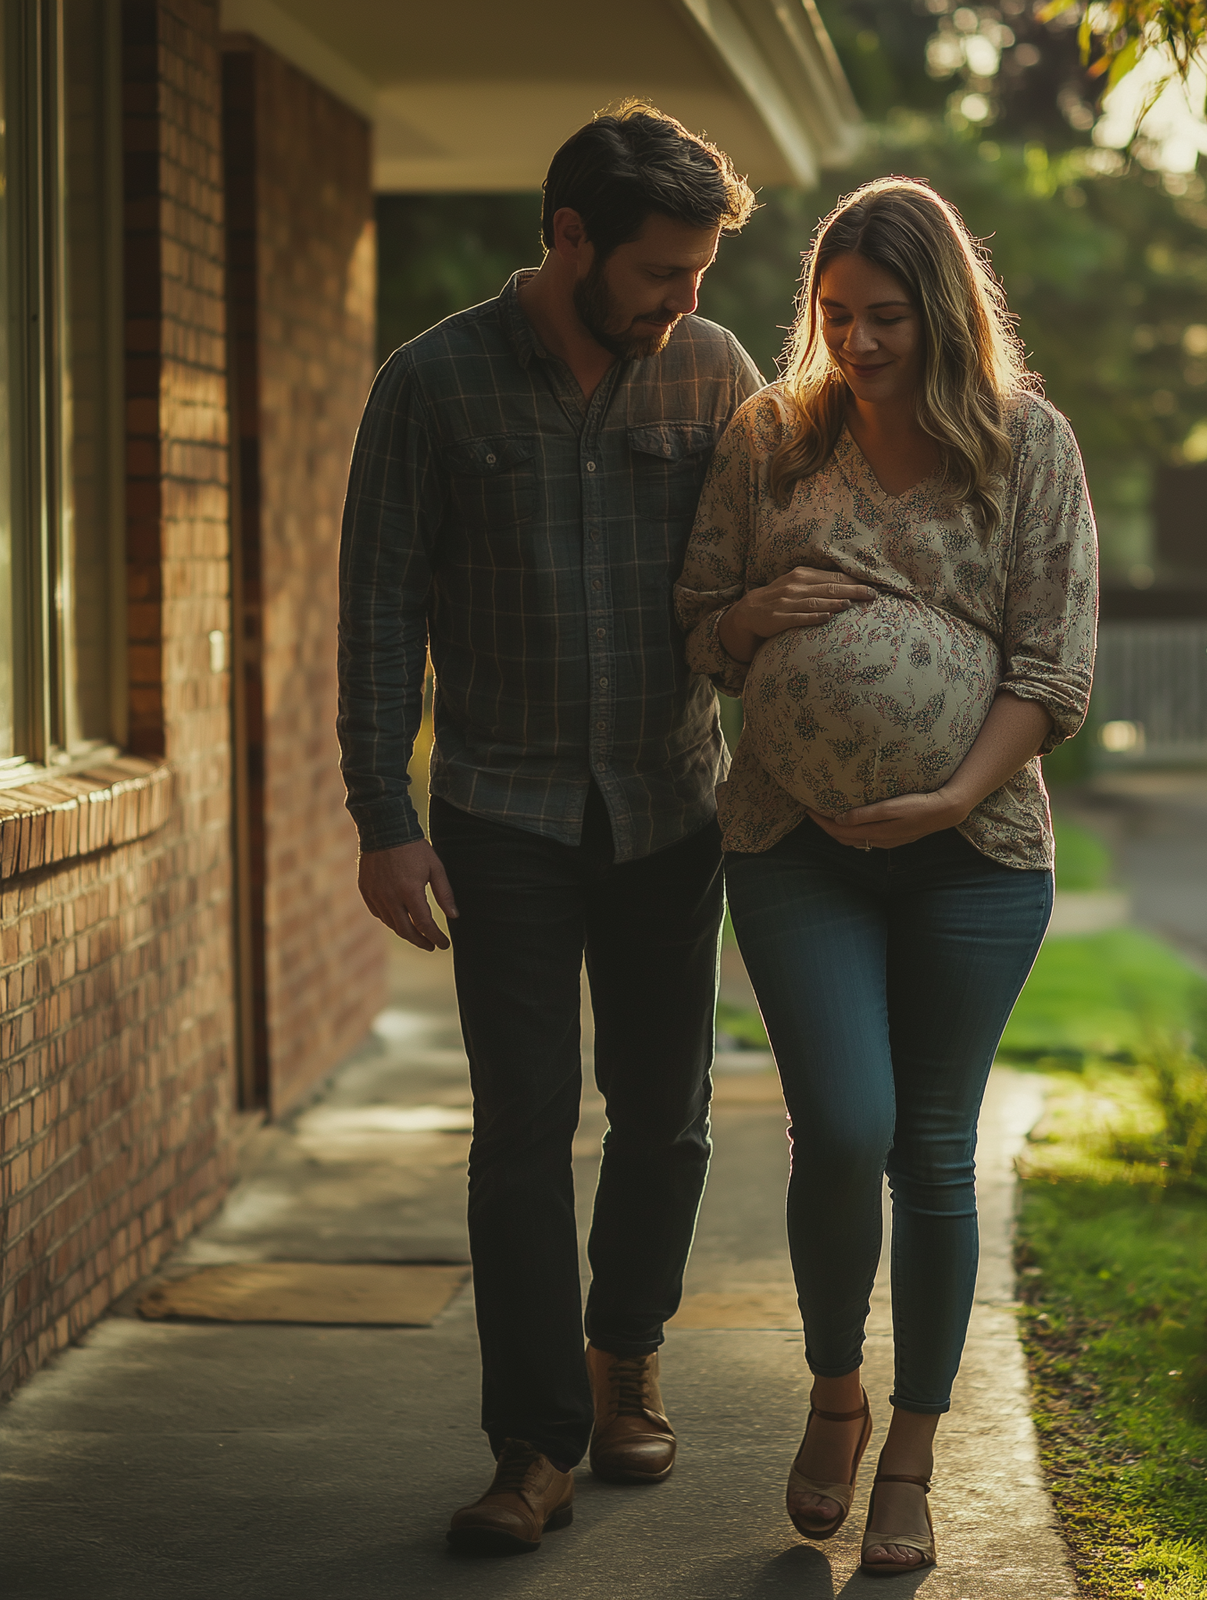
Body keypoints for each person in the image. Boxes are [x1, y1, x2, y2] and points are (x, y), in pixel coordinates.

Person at [337, 103, 761, 1556]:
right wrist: (383, 819)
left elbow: (772, 575)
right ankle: (533, 1445)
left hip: (670, 800)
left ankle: (623, 1354)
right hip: (502, 809)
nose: (684, 301)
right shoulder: (433, 384)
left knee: (667, 1115)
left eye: (700, 274)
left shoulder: (714, 375)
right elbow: (379, 608)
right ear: (569, 237)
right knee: (523, 1128)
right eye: (660, 272)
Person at [673, 178, 1097, 1577]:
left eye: (887, 319)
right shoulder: (770, 440)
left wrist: (951, 795)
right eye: (835, 316)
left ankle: (911, 1457)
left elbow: (1055, 664)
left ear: (946, 312)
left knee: (931, 1150)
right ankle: (835, 1393)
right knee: (840, 1127)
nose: (856, 344)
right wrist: (748, 613)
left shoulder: (1027, 449)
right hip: (795, 844)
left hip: (972, 854)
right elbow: (697, 622)